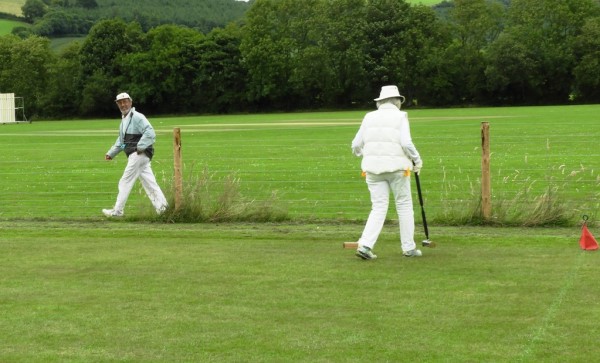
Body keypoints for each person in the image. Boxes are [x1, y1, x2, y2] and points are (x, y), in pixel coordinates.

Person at [351, 85, 423, 260]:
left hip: (372, 170)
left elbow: (355, 145)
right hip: (398, 169)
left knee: (378, 207)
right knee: (404, 205)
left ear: (380, 101)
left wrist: (367, 154)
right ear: (397, 101)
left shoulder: (369, 117)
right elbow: (406, 143)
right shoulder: (401, 116)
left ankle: (366, 245)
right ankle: (408, 248)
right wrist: (417, 160)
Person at [102, 92, 168, 217]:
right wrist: (111, 153)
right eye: (120, 102)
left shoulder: (137, 117)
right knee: (150, 183)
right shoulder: (124, 120)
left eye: (125, 101)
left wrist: (140, 147)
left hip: (138, 155)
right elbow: (123, 143)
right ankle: (164, 210)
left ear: (130, 102)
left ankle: (117, 212)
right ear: (117, 104)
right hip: (140, 156)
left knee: (124, 181)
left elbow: (150, 132)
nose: (123, 104)